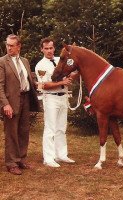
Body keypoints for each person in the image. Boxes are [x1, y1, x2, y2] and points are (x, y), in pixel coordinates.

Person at [0, 34, 41, 175]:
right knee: (11, 133)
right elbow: (0, 85)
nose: (9, 48)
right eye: (7, 45)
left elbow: (27, 79)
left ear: (19, 46)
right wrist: (5, 104)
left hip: (25, 100)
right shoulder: (2, 62)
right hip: (11, 102)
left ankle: (21, 159)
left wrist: (37, 85)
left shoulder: (25, 61)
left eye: (12, 45)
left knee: (24, 131)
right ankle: (11, 163)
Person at [35, 37, 75, 167]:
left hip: (63, 97)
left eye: (51, 48)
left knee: (61, 128)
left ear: (54, 48)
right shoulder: (40, 65)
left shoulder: (59, 60)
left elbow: (72, 68)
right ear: (42, 49)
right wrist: (62, 82)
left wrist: (71, 77)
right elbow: (43, 85)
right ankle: (48, 158)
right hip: (51, 98)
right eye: (46, 48)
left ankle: (61, 155)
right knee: (50, 128)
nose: (49, 51)